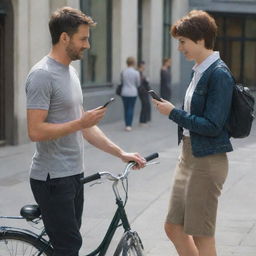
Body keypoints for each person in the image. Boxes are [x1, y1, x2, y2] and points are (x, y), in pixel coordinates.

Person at [25, 7, 145, 256]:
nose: (88, 45)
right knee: (69, 249)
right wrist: (80, 123)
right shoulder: (41, 75)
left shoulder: (71, 72)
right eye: (83, 38)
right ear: (64, 38)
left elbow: (86, 127)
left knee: (68, 245)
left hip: (73, 174)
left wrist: (120, 153)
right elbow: (35, 131)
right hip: (51, 179)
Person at [152, 10, 234, 256]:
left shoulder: (219, 74)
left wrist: (173, 113)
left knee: (201, 234)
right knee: (173, 227)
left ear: (200, 39)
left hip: (207, 161)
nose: (180, 48)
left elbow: (212, 125)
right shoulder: (198, 70)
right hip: (187, 156)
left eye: (182, 42)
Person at [120, 57, 140, 131]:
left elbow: (121, 82)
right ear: (133, 63)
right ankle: (129, 125)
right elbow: (138, 84)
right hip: (133, 92)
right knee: (131, 108)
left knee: (126, 108)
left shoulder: (123, 72)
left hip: (124, 92)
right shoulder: (136, 73)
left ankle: (126, 124)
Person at [137, 61, 151, 125]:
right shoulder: (138, 73)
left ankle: (144, 120)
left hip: (145, 92)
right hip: (142, 92)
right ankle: (142, 121)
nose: (144, 67)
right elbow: (140, 84)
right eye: (143, 65)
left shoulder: (141, 73)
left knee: (146, 105)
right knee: (145, 105)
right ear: (141, 66)